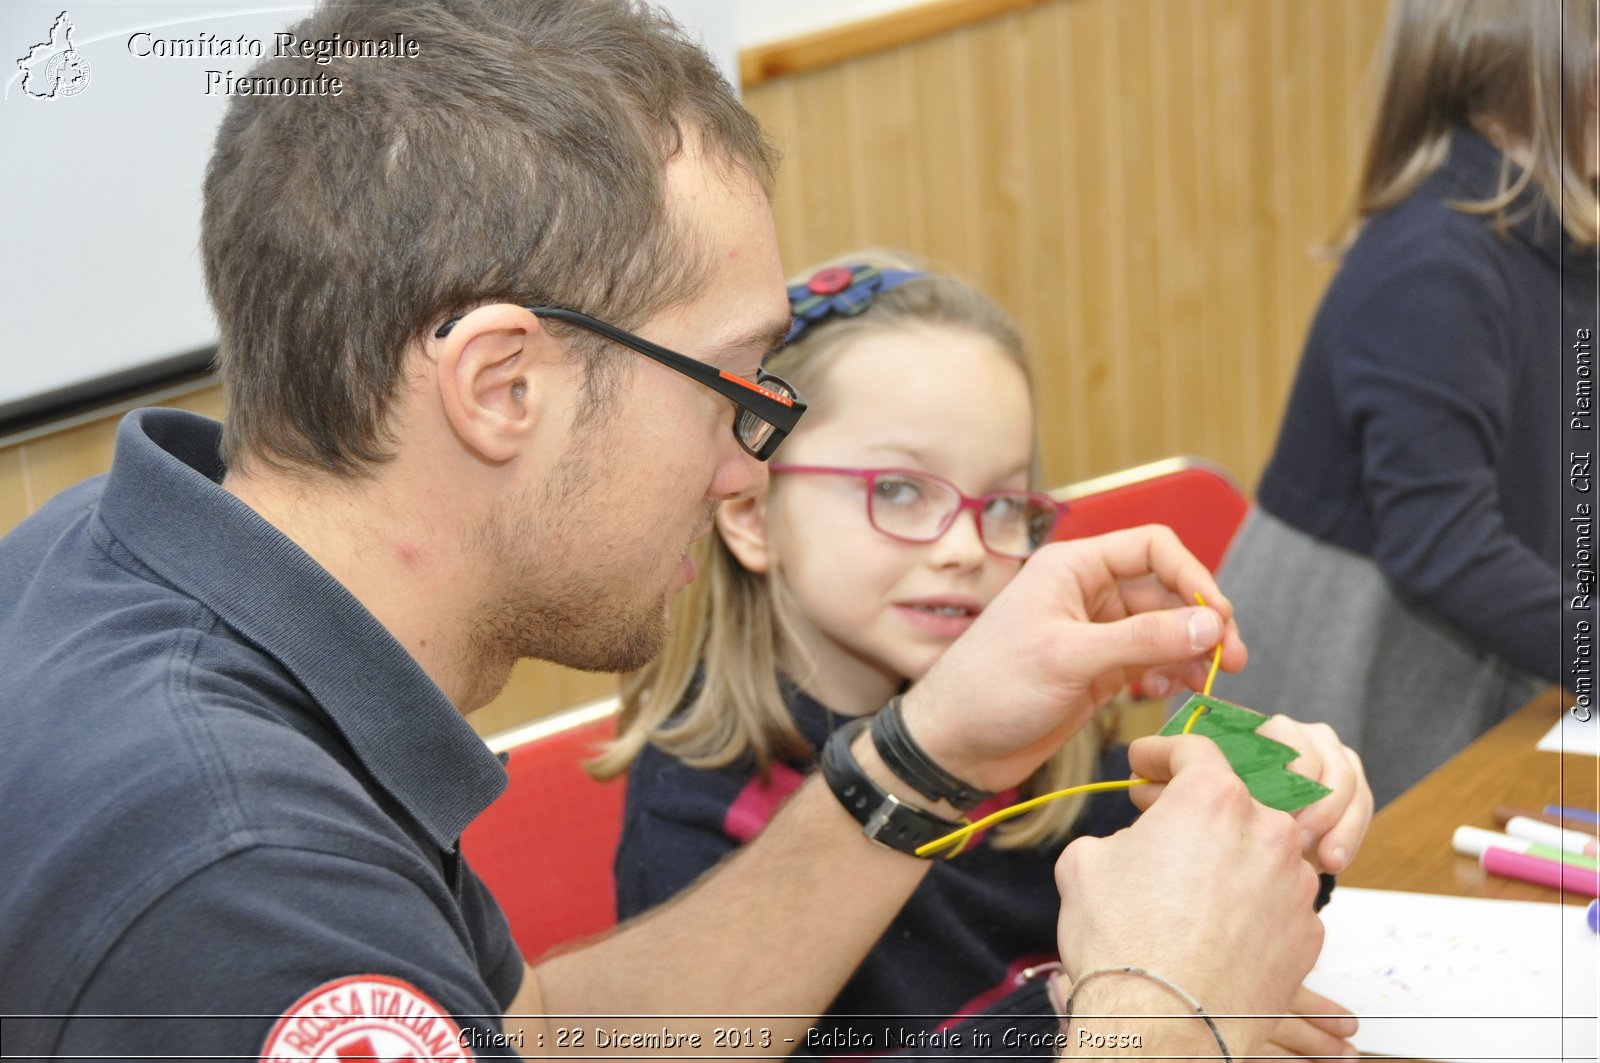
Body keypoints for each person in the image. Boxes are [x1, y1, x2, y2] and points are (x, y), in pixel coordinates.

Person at [0, 1, 1357, 1059]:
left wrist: (928, 750)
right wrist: (1158, 1011)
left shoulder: (133, 565)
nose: (741, 462)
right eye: (728, 385)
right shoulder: (239, 879)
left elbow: (538, 1039)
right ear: (502, 385)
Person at [598, 256, 1373, 1057]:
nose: (967, 546)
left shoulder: (1029, 736)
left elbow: (1198, 920)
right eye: (899, 490)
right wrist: (1107, 1012)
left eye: (1002, 504)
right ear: (753, 513)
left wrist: (1273, 818)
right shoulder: (693, 819)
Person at [1214, 0, 1599, 806]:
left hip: (1472, 656)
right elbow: (1445, 549)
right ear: (1547, 66)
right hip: (1340, 682)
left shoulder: (1567, 229)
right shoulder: (1434, 266)